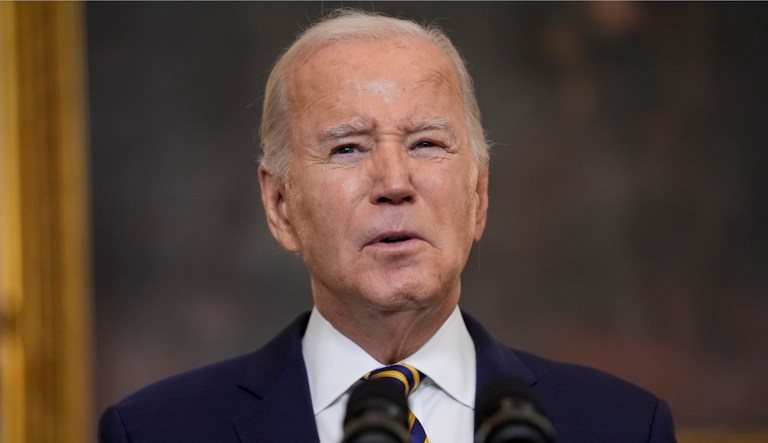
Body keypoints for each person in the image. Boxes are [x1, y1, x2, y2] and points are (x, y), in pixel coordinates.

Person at [99, 10, 676, 443]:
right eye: (348, 148)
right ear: (280, 206)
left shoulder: (622, 426)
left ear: (478, 196)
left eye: (427, 143)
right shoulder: (155, 431)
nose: (395, 182)